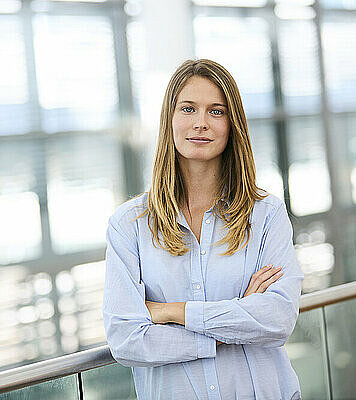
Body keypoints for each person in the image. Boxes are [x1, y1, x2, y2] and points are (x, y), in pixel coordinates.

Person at [102, 59, 304, 400]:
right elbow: (127, 340)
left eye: (216, 111)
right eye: (188, 109)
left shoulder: (266, 214)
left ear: (232, 124)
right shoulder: (129, 225)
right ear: (170, 120)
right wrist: (235, 321)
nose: (201, 123)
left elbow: (278, 319)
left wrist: (171, 312)